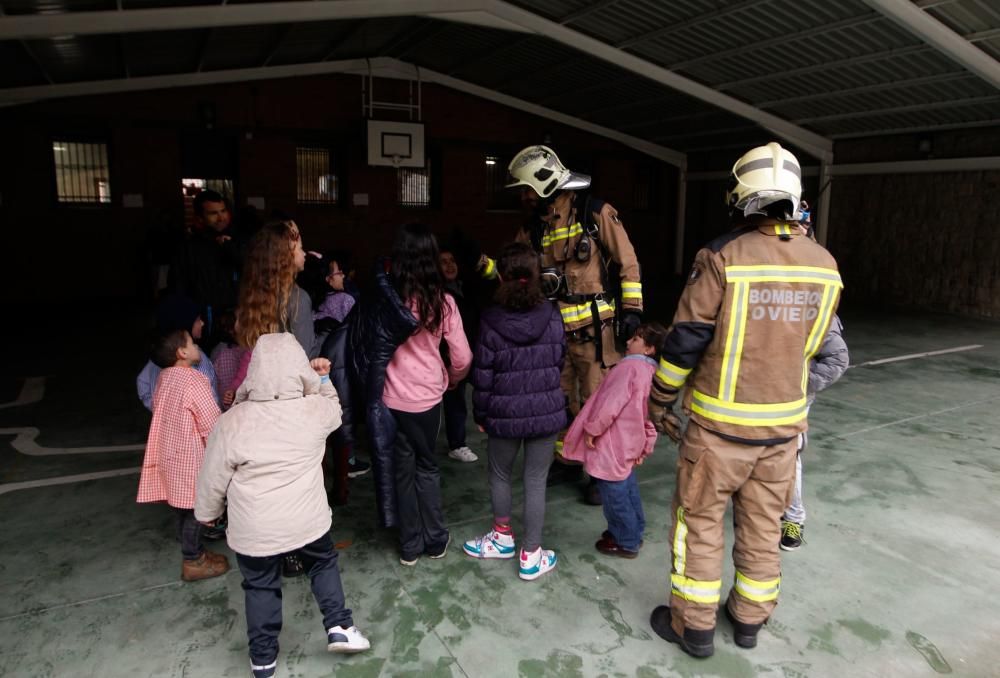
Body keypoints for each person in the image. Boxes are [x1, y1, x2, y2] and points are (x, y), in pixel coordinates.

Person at [646, 142, 842, 658]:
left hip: (718, 435)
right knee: (762, 527)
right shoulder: (824, 265)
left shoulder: (721, 256)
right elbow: (819, 349)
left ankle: (694, 628)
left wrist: (660, 397)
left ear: (742, 196)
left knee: (700, 524)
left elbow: (685, 339)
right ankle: (749, 621)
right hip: (783, 435)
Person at [195, 334, 370, 678]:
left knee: (260, 583)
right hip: (307, 521)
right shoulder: (313, 410)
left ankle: (263, 659)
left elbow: (212, 476)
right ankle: (339, 626)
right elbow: (335, 409)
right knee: (322, 563)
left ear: (253, 373)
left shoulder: (232, 421)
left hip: (255, 530)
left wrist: (207, 513)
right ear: (297, 367)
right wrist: (321, 379)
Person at [486, 145, 644, 505]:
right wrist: (482, 266)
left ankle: (597, 473)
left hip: (595, 337)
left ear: (543, 185)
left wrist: (632, 311)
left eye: (528, 189)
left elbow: (629, 263)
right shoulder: (531, 228)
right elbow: (513, 271)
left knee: (597, 404)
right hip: (554, 337)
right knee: (559, 403)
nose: (525, 197)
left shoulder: (595, 214)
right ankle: (568, 460)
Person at [353, 224, 472, 566]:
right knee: (427, 467)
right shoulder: (444, 302)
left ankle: (409, 546)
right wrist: (452, 377)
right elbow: (463, 357)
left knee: (401, 470)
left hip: (391, 399)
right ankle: (435, 541)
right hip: (427, 400)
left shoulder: (387, 301)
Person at [463, 242, 567, 581]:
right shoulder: (552, 314)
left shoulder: (490, 320)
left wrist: (480, 414)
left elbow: (483, 374)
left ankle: (502, 538)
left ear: (502, 277)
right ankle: (532, 554)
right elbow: (560, 360)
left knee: (500, 475)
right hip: (546, 411)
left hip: (503, 413)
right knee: (535, 480)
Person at [231, 219, 314, 578]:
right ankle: (295, 550)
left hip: (257, 402)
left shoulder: (251, 298)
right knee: (296, 479)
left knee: (267, 478)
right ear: (285, 256)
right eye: (298, 247)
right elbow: (305, 359)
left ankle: (269, 547)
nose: (304, 252)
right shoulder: (298, 300)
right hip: (290, 404)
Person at [562, 322, 667, 559]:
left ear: (649, 349)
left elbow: (610, 404)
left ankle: (626, 541)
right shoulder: (653, 374)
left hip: (612, 444)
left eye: (636, 339)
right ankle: (633, 531)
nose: (628, 341)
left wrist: (592, 429)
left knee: (614, 495)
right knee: (628, 488)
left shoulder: (628, 368)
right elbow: (651, 417)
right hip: (631, 443)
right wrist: (646, 446)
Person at [781, 210, 850, 550]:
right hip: (762, 388)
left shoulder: (813, 298)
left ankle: (794, 520)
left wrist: (799, 385)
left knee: (788, 455)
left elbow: (838, 358)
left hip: (791, 393)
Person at [137, 329, 228, 582]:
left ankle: (194, 551)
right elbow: (211, 423)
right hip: (191, 460)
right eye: (191, 342)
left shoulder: (165, 378)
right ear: (182, 353)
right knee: (198, 511)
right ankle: (193, 560)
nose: (196, 344)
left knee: (182, 511)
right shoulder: (193, 381)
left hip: (170, 457)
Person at [168, 189, 240, 342]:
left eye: (223, 211)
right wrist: (191, 318)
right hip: (204, 326)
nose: (221, 218)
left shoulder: (237, 242)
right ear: (200, 218)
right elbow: (178, 288)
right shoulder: (188, 248)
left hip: (235, 325)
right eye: (213, 213)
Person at [137, 294, 219, 411]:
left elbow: (142, 383)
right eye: (197, 319)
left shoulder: (158, 358)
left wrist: (158, 408)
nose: (202, 323)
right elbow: (211, 403)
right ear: (184, 324)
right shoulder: (197, 360)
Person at [439, 245, 478, 463]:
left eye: (451, 260)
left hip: (470, 353)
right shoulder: (438, 294)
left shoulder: (465, 288)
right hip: (449, 357)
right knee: (453, 401)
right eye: (443, 261)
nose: (449, 265)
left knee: (467, 398)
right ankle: (457, 444)